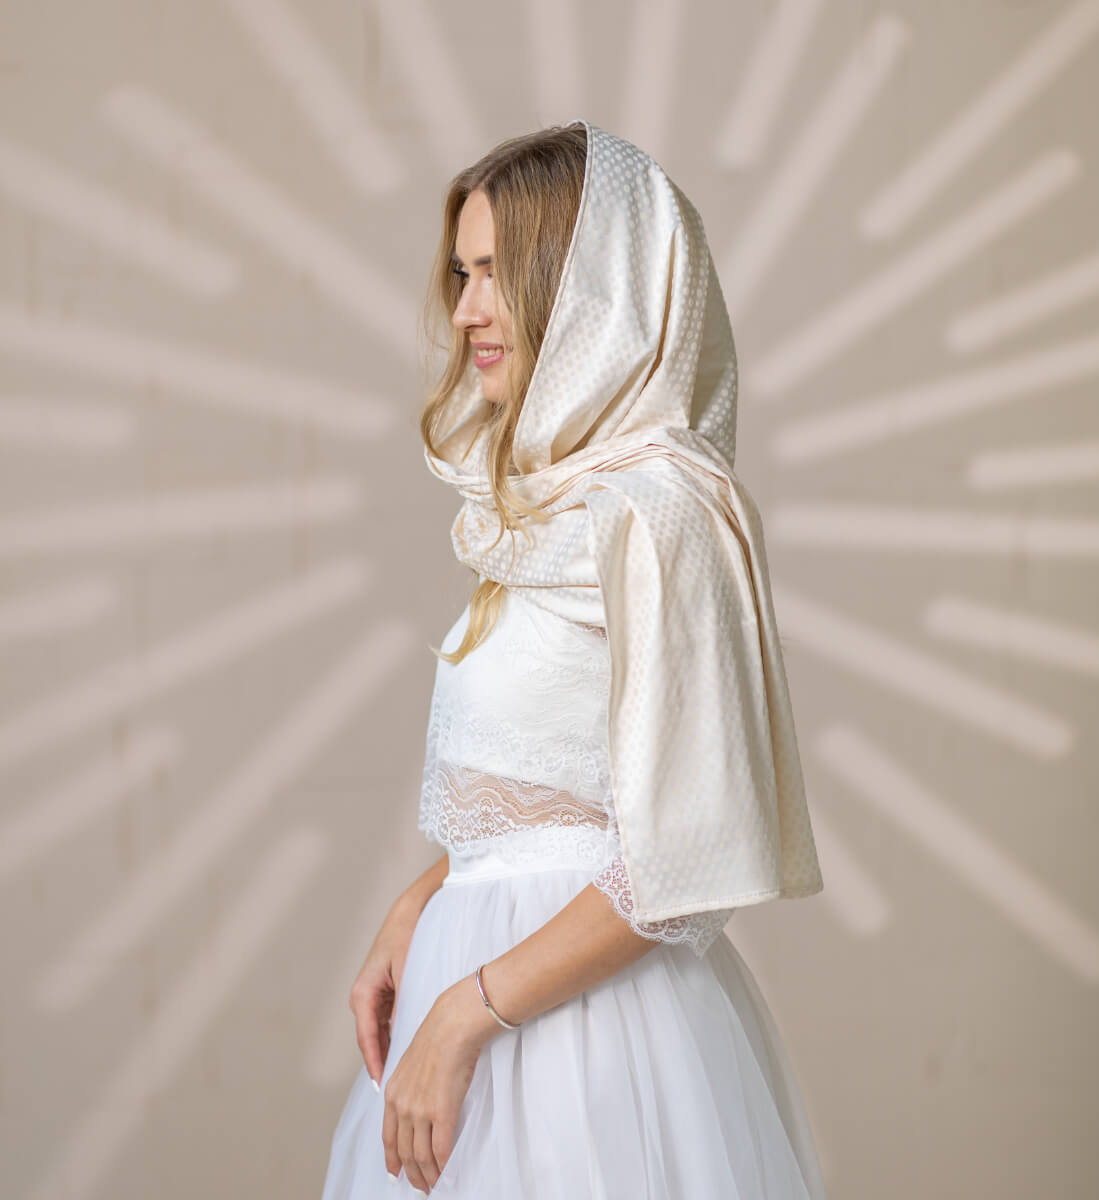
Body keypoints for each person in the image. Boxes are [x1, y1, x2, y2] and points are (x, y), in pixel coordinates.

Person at [320, 118, 827, 1199]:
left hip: (592, 1054)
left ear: (591, 287)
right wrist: (426, 902)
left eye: (499, 274)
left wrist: (463, 1014)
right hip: (480, 1022)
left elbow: (679, 866)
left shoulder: (662, 510)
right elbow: (564, 796)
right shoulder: (549, 505)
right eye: (461, 273)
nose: (464, 312)